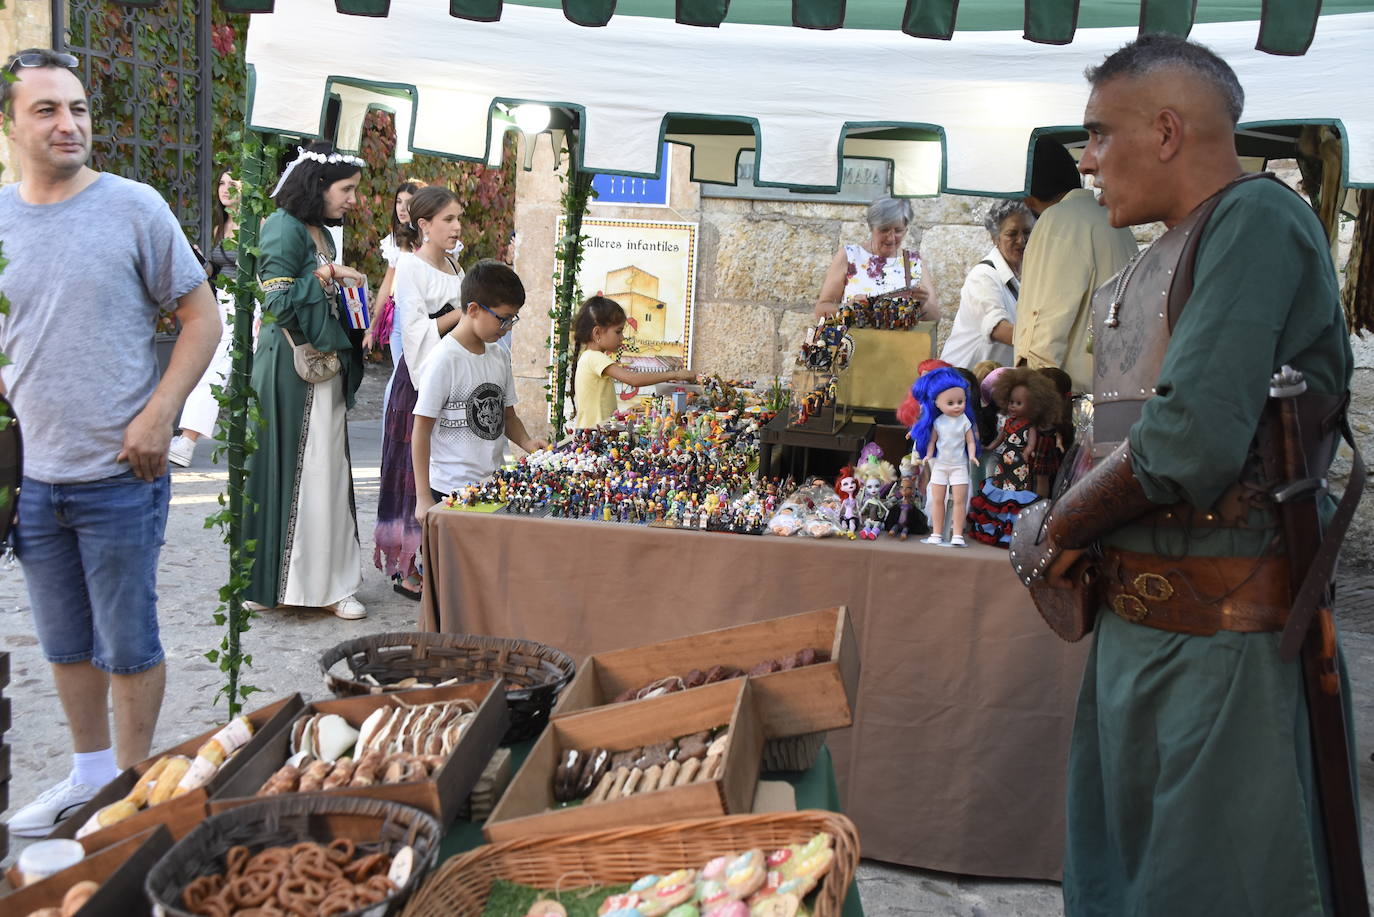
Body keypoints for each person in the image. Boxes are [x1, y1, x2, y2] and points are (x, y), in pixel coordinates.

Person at [1017, 35, 1360, 916]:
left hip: (1223, 639)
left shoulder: (1257, 220)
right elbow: (1129, 430)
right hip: (1139, 630)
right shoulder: (1151, 258)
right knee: (1121, 883)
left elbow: (1188, 441)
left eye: (1098, 135)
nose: (1086, 161)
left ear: (1167, 130)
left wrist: (1053, 528)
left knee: (1211, 888)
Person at [0, 49, 219, 836]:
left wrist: (161, 412)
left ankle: (132, 791)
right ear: (11, 124)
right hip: (33, 474)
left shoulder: (134, 207)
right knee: (62, 638)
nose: (70, 124)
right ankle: (87, 776)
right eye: (48, 110)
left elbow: (204, 318)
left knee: (127, 639)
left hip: (122, 470)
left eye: (80, 108)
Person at [243, 142, 368, 620]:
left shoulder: (322, 234)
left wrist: (339, 284)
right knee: (291, 466)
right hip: (289, 366)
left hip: (323, 365)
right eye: (347, 189)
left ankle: (333, 582)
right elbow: (274, 300)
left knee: (327, 470)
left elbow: (315, 289)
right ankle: (272, 581)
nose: (353, 200)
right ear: (318, 186)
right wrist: (328, 274)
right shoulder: (281, 227)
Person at [373, 186, 466, 600]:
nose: (457, 226)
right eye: (448, 219)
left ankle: (436, 558)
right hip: (419, 382)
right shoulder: (409, 266)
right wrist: (460, 315)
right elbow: (412, 332)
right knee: (414, 476)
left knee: (441, 469)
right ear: (424, 224)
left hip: (451, 380)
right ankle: (407, 568)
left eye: (459, 218)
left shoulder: (455, 265)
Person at [412, 260, 548, 520]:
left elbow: (507, 416)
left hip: (494, 486)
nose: (508, 327)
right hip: (450, 492)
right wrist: (422, 497)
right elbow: (421, 430)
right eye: (503, 319)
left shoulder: (499, 354)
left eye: (512, 320)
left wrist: (527, 442)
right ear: (473, 309)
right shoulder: (443, 360)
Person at [1012, 138, 1138, 392]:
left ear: (1027, 195)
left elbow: (1045, 318)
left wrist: (1032, 391)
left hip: (1072, 396)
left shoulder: (1058, 220)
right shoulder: (1111, 220)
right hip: (1118, 385)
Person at [169, 168, 242, 467]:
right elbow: (212, 270)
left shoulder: (258, 225)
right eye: (221, 182)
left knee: (217, 370)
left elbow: (269, 268)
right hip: (220, 304)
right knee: (211, 369)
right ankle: (187, 438)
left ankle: (187, 440)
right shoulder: (220, 227)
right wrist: (198, 260)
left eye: (232, 182)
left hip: (248, 305)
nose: (224, 188)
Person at [570, 296, 696, 429]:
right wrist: (674, 375)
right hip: (592, 433)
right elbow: (633, 379)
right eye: (618, 332)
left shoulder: (590, 357)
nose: (622, 337)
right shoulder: (594, 357)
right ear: (597, 333)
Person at [940, 200, 1034, 369]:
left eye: (1027, 232)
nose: (1021, 240)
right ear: (995, 238)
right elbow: (998, 329)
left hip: (991, 382)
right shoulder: (983, 277)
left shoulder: (1026, 275)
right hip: (962, 383)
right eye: (1012, 234)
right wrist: (1044, 343)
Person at [814, 196, 940, 321]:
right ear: (871, 228)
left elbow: (935, 318)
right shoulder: (850, 256)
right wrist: (847, 309)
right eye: (884, 230)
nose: (891, 238)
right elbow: (822, 309)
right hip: (856, 340)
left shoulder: (915, 262)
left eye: (898, 231)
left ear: (906, 230)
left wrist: (923, 304)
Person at [363, 179, 424, 417]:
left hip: (424, 319)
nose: (401, 208)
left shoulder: (432, 239)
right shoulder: (394, 241)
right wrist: (372, 327)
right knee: (399, 379)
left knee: (415, 381)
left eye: (408, 203)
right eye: (398, 202)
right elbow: (388, 286)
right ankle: (392, 438)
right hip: (399, 316)